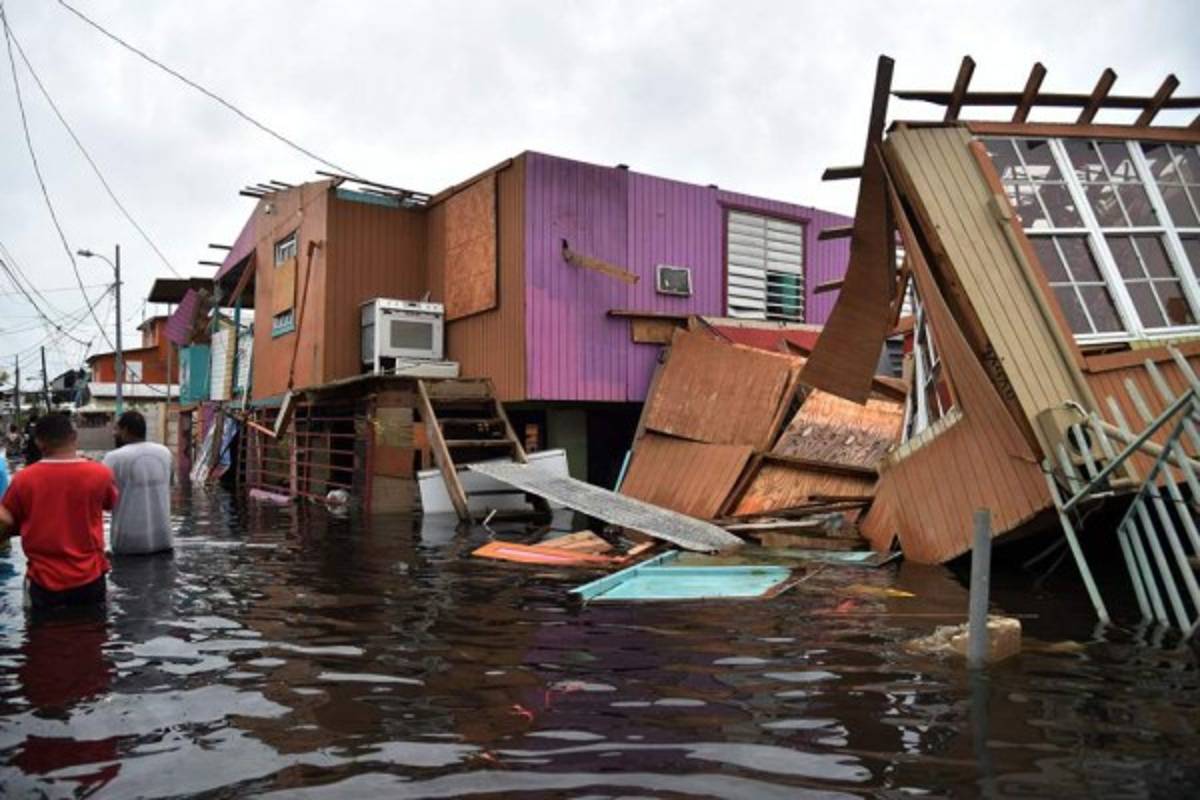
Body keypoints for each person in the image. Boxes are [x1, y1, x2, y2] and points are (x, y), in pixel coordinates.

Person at [0, 413, 117, 611]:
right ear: (74, 436)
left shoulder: (23, 480)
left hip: (43, 581)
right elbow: (110, 503)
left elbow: (6, 519)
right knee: (92, 636)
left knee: (40, 638)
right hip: (90, 578)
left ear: (39, 442)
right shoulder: (100, 473)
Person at [103, 410, 173, 555]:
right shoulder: (165, 452)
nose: (113, 433)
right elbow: (169, 484)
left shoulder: (114, 458)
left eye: (117, 429)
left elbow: (102, 497)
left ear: (126, 430)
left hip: (128, 544)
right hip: (164, 540)